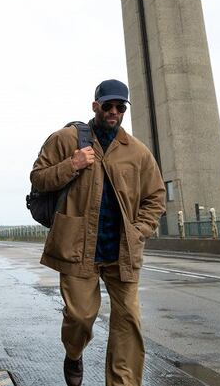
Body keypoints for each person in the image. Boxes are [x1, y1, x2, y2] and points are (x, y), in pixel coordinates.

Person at [30, 79, 165, 386]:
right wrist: (72, 164)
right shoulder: (66, 139)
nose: (114, 112)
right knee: (80, 317)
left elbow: (156, 197)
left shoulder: (137, 152)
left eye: (120, 107)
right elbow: (38, 178)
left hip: (122, 252)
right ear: (96, 106)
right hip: (77, 248)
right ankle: (74, 353)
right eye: (108, 106)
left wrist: (138, 230)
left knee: (128, 321)